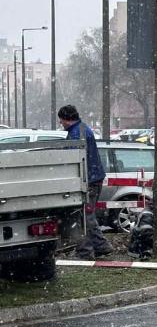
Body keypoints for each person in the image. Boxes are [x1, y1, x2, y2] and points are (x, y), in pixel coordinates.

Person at [59, 105, 113, 260]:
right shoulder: (82, 129)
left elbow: (72, 158)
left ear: (67, 119)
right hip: (92, 178)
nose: (60, 122)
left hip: (88, 181)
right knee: (86, 215)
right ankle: (100, 246)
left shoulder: (77, 133)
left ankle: (87, 251)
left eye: (61, 119)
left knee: (84, 217)